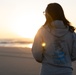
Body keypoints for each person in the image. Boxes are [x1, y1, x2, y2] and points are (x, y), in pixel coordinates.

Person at [32, 2, 76, 75]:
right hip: (66, 71)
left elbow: (37, 53)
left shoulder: (42, 31)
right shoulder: (71, 32)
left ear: (48, 15)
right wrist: (66, 60)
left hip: (47, 70)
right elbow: (74, 54)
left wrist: (45, 59)